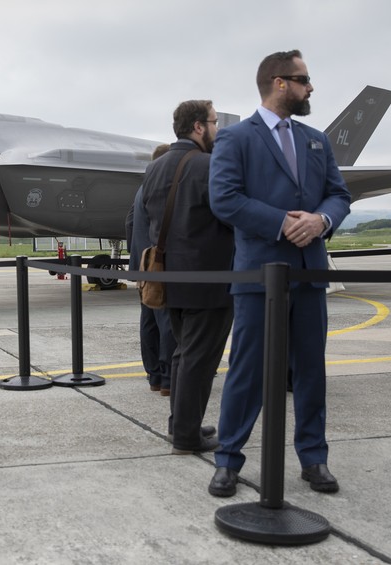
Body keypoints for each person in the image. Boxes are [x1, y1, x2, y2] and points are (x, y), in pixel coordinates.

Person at [207, 50, 350, 496]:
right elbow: (224, 199)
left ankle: (314, 458)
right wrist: (283, 222)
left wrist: (321, 221)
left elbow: (337, 195)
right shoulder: (236, 139)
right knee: (248, 369)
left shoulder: (316, 139)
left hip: (309, 271)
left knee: (310, 369)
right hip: (259, 275)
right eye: (304, 79)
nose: (311, 88)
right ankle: (228, 459)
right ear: (279, 82)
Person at [142, 100, 234, 454]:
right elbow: (228, 214)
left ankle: (182, 424)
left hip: (169, 278)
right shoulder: (209, 166)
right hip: (208, 278)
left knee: (183, 353)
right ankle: (185, 436)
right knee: (199, 357)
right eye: (213, 123)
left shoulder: (155, 167)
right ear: (198, 127)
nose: (216, 130)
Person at [126, 143, 174, 395]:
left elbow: (130, 222)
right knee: (166, 320)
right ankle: (167, 378)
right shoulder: (161, 189)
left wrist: (136, 260)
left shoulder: (142, 189)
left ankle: (154, 375)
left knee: (149, 320)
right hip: (159, 262)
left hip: (143, 264)